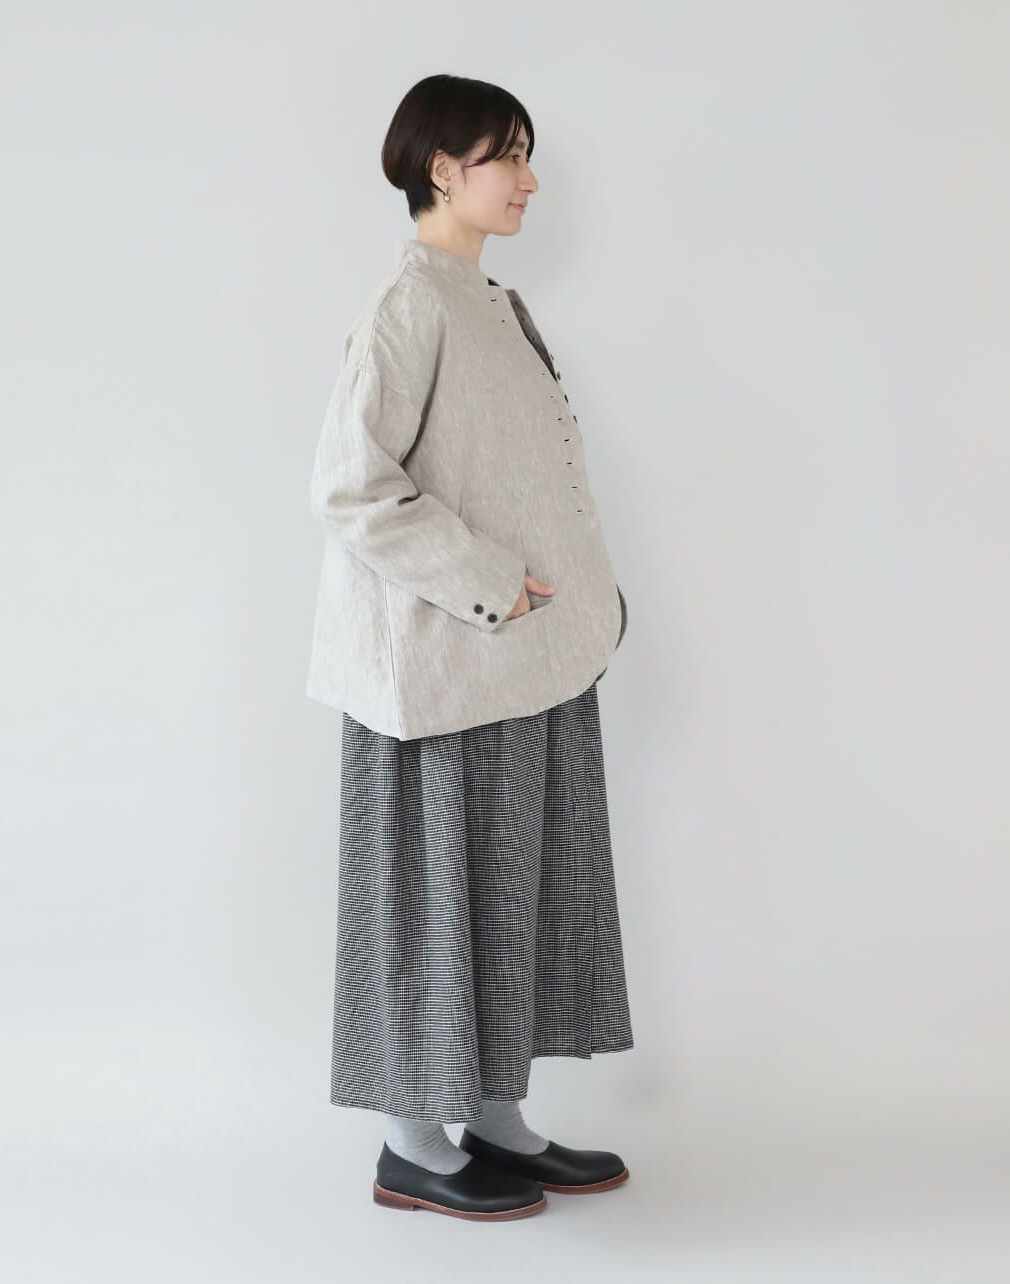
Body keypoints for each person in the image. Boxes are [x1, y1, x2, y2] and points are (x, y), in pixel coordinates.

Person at [307, 73, 634, 1221]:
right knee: (433, 903)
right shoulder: (410, 306)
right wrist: (493, 584)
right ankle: (410, 1145)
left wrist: (584, 603)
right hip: (440, 665)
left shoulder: (488, 302)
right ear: (441, 170)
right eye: (508, 156)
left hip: (525, 662)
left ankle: (494, 1121)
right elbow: (349, 486)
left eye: (527, 156)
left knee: (512, 893)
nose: (529, 179)